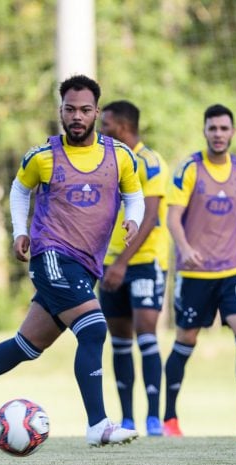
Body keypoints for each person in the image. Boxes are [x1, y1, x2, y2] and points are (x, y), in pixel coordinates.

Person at [0, 75, 144, 446]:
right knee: (93, 328)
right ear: (61, 111)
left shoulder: (119, 156)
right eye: (70, 109)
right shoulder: (43, 156)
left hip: (85, 265)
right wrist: (18, 232)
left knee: (26, 347)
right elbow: (18, 189)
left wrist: (133, 218)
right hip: (52, 256)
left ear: (96, 112)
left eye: (85, 110)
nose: (77, 116)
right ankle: (98, 424)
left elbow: (134, 194)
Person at [162, 104, 236, 437]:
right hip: (196, 275)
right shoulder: (189, 169)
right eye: (212, 128)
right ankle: (169, 419)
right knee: (185, 342)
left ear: (233, 132)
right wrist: (185, 249)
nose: (218, 134)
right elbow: (173, 216)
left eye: (224, 128)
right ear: (204, 131)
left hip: (234, 271)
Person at [98, 101, 170, 436]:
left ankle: (153, 417)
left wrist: (122, 264)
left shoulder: (149, 162)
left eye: (106, 124)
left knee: (146, 333)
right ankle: (127, 418)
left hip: (144, 263)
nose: (101, 130)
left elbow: (151, 216)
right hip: (109, 264)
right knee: (120, 341)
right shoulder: (109, 161)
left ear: (124, 127)